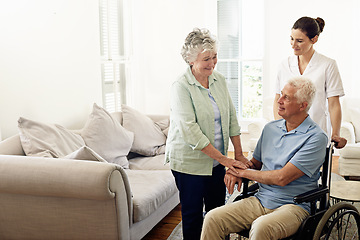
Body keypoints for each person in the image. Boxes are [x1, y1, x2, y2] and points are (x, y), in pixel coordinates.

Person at [201, 77, 328, 240]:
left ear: (303, 105)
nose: (279, 101)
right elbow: (254, 164)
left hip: (294, 205)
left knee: (261, 227)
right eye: (281, 95)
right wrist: (235, 170)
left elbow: (282, 178)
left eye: (286, 97)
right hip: (262, 199)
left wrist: (243, 173)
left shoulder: (316, 137)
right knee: (213, 218)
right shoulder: (270, 128)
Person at [165, 28, 250, 240]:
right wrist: (225, 160)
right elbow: (191, 132)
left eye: (214, 57)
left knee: (217, 212)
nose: (212, 63)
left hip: (216, 162)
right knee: (193, 216)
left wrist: (238, 154)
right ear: (191, 60)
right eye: (206, 59)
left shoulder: (218, 80)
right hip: (189, 163)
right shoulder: (181, 87)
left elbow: (230, 116)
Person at [273, 16, 346, 148]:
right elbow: (277, 99)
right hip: (287, 135)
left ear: (314, 39)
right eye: (291, 39)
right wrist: (279, 129)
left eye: (299, 41)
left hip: (315, 133)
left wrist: (336, 133)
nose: (293, 45)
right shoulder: (284, 65)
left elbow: (334, 104)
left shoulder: (328, 65)